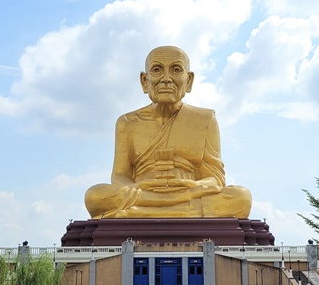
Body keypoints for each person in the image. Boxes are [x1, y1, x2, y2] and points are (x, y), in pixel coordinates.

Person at [84, 46, 252, 219]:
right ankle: (182, 212)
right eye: (157, 70)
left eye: (176, 70)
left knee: (241, 197)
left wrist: (193, 188)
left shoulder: (204, 119)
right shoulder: (127, 123)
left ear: (189, 80)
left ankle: (139, 214)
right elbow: (120, 176)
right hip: (144, 192)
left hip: (188, 192)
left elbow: (215, 178)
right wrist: (138, 187)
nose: (166, 79)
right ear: (144, 80)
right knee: (94, 196)